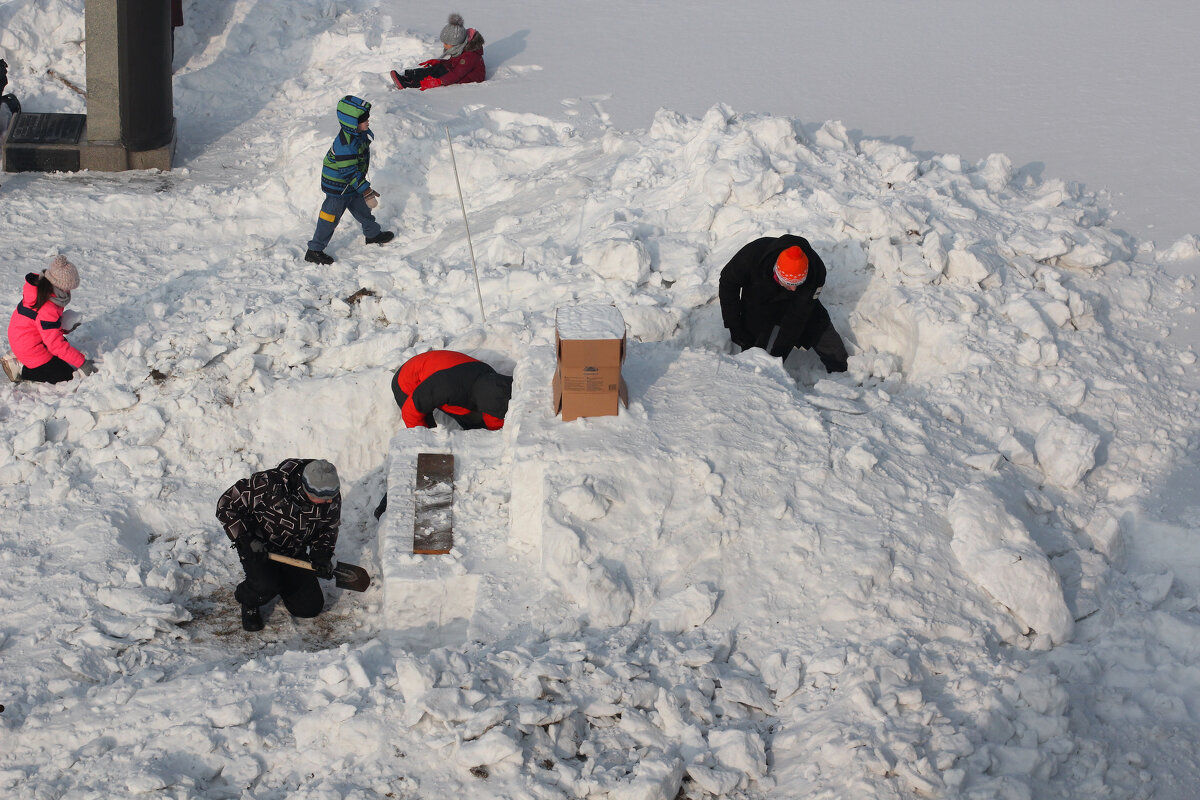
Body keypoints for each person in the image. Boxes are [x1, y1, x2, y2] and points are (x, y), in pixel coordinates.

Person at [215, 458, 343, 632]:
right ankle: (249, 600)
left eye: (332, 496)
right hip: (259, 549)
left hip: (293, 551)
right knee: (264, 586)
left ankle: (280, 579)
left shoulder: (330, 495)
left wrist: (322, 555)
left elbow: (329, 528)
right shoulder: (268, 484)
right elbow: (226, 504)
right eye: (323, 498)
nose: (329, 502)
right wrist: (246, 539)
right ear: (307, 488)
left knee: (308, 608)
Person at [719, 234, 849, 373]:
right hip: (758, 300)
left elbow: (797, 318)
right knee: (752, 345)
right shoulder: (754, 254)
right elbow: (728, 283)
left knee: (822, 331)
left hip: (796, 303)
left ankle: (841, 374)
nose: (794, 288)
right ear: (776, 273)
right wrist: (734, 325)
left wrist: (778, 359)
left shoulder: (816, 271)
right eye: (789, 283)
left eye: (798, 283)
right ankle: (751, 376)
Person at [304, 95, 394, 265]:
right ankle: (314, 250)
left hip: (351, 186)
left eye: (367, 117)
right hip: (338, 189)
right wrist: (365, 189)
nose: (367, 121)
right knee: (329, 219)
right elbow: (349, 172)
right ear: (351, 123)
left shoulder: (356, 135)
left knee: (364, 211)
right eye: (362, 119)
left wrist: (362, 189)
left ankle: (373, 234)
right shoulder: (345, 145)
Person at [4, 256, 95, 384]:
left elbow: (42, 326)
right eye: (68, 287)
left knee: (64, 355)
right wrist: (82, 363)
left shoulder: (44, 289)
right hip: (29, 347)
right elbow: (56, 345)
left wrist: (63, 328)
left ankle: (22, 357)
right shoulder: (48, 306)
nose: (69, 291)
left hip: (26, 339)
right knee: (66, 376)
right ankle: (20, 368)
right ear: (60, 285)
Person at [392, 350, 512, 430]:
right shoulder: (445, 387)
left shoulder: (492, 379)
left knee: (473, 419)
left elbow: (494, 414)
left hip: (447, 375)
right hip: (408, 381)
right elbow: (410, 412)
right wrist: (425, 445)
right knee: (427, 433)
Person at [389, 13, 485, 91]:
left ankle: (409, 84)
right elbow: (454, 63)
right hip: (456, 70)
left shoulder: (469, 56)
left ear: (456, 43)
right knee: (437, 68)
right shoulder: (461, 47)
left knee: (436, 75)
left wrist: (440, 81)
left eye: (447, 43)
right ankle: (408, 76)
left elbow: (457, 74)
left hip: (466, 78)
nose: (444, 46)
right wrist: (440, 62)